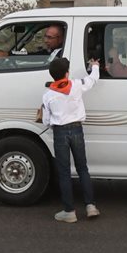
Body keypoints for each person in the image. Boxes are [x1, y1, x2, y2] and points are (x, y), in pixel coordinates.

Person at [40, 57, 101, 223]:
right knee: (82, 168)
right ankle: (90, 206)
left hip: (60, 133)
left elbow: (46, 121)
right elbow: (92, 79)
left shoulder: (48, 95)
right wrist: (95, 66)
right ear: (67, 73)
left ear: (52, 75)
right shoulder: (76, 85)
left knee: (64, 172)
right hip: (77, 130)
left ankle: (69, 212)